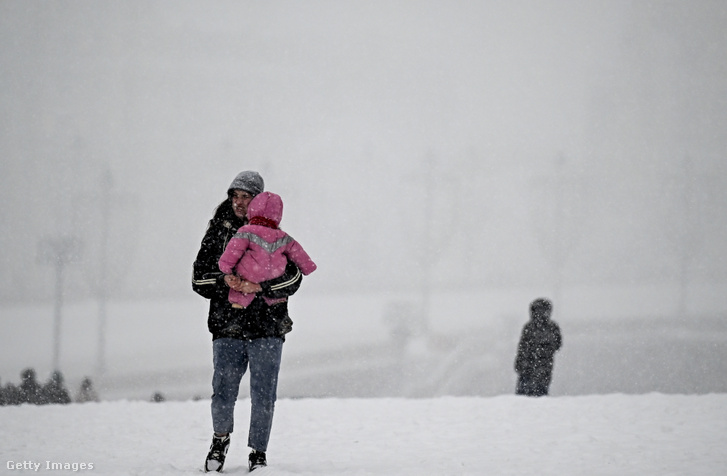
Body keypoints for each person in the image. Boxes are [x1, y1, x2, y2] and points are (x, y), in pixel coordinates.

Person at [192, 171, 304, 473]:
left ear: (259, 201)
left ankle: (258, 453)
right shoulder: (217, 232)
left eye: (247, 196)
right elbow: (198, 279)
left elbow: (294, 278)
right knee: (224, 390)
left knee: (264, 393)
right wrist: (226, 280)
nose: (240, 202)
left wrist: (260, 288)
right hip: (227, 325)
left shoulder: (276, 236)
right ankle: (220, 439)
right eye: (235, 196)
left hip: (268, 327)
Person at [218, 190, 316, 309]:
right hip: (274, 274)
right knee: (276, 298)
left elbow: (234, 250)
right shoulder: (283, 236)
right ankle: (279, 311)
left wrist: (225, 266)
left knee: (239, 294)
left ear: (252, 210)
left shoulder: (246, 231)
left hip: (250, 274)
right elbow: (298, 252)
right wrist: (308, 266)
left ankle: (236, 313)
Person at [514, 298, 562, 397]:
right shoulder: (550, 327)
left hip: (533, 367)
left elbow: (522, 347)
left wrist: (521, 362)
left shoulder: (531, 327)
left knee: (527, 396)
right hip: (537, 367)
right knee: (536, 395)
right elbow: (557, 345)